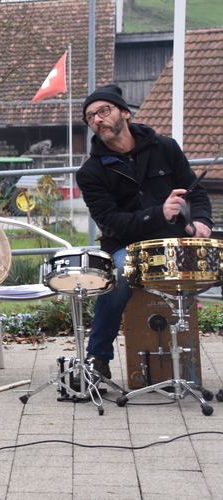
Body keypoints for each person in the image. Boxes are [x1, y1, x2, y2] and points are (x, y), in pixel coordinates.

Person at [77, 84, 212, 380]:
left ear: (124, 113)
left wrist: (201, 220)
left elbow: (196, 193)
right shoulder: (90, 173)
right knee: (119, 277)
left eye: (104, 111)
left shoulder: (165, 147)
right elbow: (111, 221)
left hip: (177, 240)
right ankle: (98, 359)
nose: (98, 119)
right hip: (127, 245)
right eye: (90, 117)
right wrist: (157, 213)